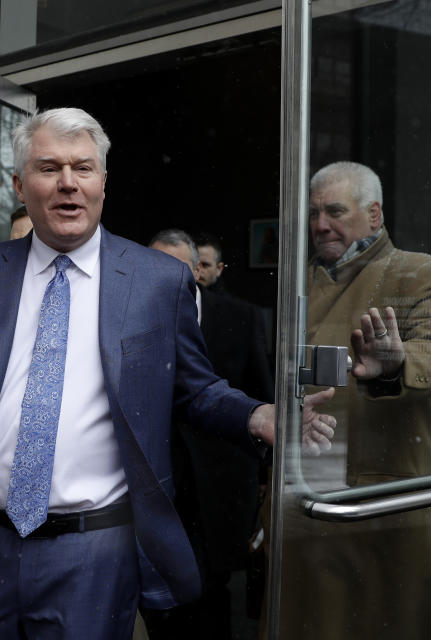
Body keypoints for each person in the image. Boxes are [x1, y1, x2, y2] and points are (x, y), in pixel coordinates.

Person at [0, 108, 337, 640]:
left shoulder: (157, 282)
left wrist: (258, 416)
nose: (68, 183)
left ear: (104, 183)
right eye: (49, 168)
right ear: (20, 186)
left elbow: (195, 389)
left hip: (96, 556)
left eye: (83, 168)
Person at [270, 161, 431, 640]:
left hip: (383, 513)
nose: (322, 224)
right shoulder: (299, 283)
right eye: (316, 212)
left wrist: (396, 366)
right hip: (307, 504)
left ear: (374, 215)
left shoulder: (415, 272)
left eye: (336, 211)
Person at [148, 229, 275, 639]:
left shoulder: (242, 317)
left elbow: (260, 391)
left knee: (211, 598)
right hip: (156, 481)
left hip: (219, 485)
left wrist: (264, 474)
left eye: (177, 268)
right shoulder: (127, 316)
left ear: (198, 271)